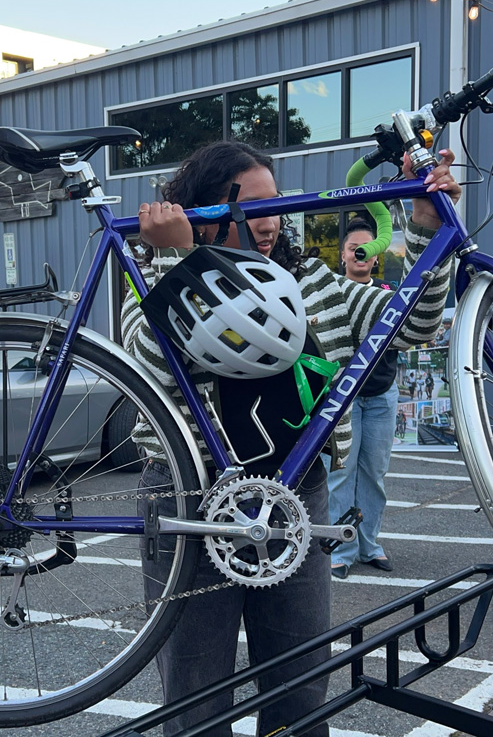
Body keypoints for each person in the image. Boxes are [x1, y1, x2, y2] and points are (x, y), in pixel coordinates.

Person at [122, 140, 459, 737]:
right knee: (194, 697)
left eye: (276, 205)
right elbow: (152, 365)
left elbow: (415, 323)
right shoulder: (150, 274)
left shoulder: (309, 281)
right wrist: (179, 260)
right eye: (251, 208)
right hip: (189, 494)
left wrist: (428, 230)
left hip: (296, 492)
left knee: (301, 684)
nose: (270, 222)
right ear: (203, 211)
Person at [322, 217, 400, 580]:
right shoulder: (330, 292)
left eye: (367, 248)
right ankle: (340, 548)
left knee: (374, 473)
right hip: (343, 397)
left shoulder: (390, 292)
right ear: (342, 255)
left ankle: (369, 544)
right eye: (354, 248)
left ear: (377, 255)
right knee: (340, 474)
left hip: (382, 394)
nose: (360, 253)